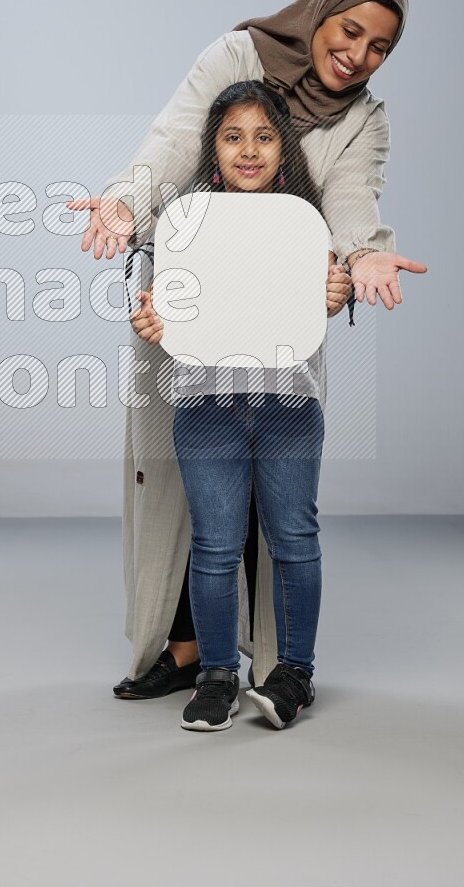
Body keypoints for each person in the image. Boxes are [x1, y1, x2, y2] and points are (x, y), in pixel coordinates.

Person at [66, 0, 427, 697]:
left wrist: (364, 252)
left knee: (273, 502)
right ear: (320, 13)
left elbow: (352, 199)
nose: (358, 55)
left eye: (379, 47)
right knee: (182, 486)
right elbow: (172, 147)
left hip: (279, 325)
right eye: (350, 31)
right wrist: (128, 205)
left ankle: (272, 663)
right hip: (188, 311)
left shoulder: (363, 118)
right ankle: (190, 647)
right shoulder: (237, 57)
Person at [130, 80, 349, 730]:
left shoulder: (305, 222)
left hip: (287, 402)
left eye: (262, 136)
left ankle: (295, 675)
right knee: (217, 545)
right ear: (213, 148)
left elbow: (317, 302)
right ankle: (219, 674)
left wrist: (334, 297)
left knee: (294, 540)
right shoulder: (185, 222)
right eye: (233, 137)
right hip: (207, 404)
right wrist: (153, 323)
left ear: (282, 148)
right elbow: (160, 303)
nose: (248, 150)